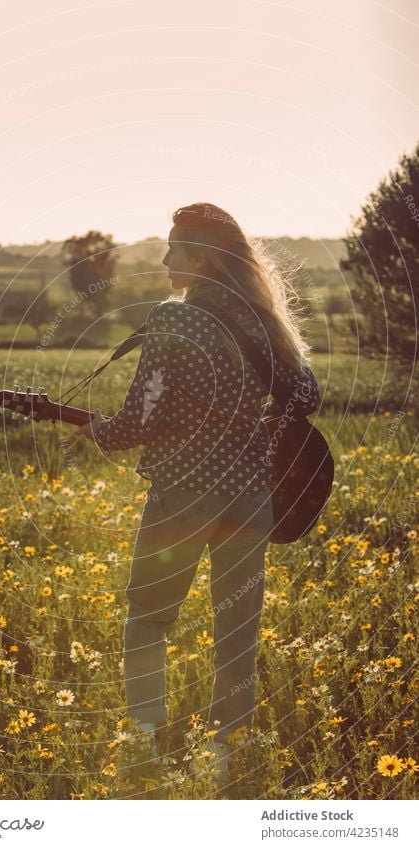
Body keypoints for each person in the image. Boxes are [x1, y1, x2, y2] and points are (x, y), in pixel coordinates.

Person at [75, 202, 321, 781]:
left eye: (174, 248)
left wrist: (96, 430)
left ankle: (144, 740)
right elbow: (304, 396)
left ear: (205, 256)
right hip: (251, 499)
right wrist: (261, 432)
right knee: (237, 629)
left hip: (182, 497)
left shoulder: (172, 319)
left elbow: (137, 421)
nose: (163, 258)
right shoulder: (263, 319)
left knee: (149, 620)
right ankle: (227, 753)